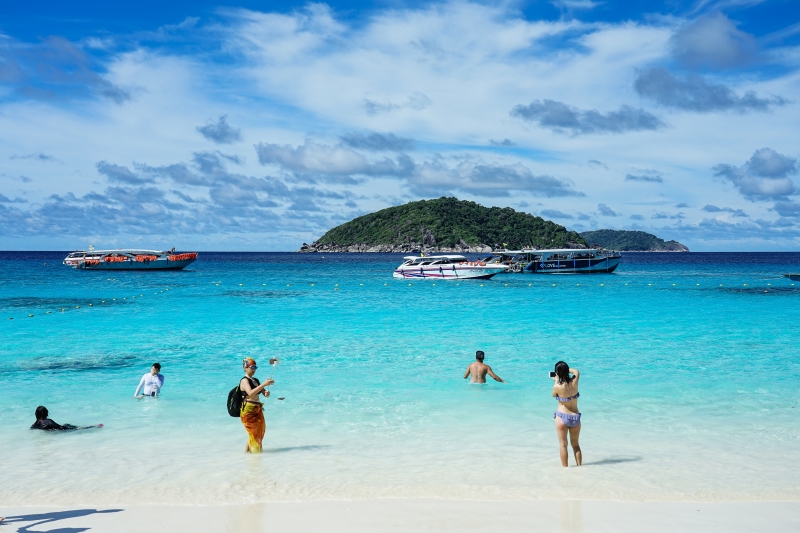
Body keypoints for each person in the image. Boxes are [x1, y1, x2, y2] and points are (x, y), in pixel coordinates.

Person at [239, 357, 274, 453]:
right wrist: (263, 384)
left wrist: (267, 391)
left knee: (259, 432)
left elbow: (264, 394)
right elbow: (250, 393)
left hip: (257, 408)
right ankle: (256, 456)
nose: (254, 370)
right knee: (253, 433)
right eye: (252, 367)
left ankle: (245, 456)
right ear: (245, 367)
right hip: (248, 410)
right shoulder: (244, 381)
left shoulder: (256, 380)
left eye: (255, 367)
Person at [552, 361, 581, 467]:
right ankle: (580, 468)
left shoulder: (557, 386)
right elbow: (576, 371)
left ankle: (565, 471)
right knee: (576, 445)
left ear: (557, 373)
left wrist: (556, 381)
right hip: (575, 417)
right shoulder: (574, 382)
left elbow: (553, 395)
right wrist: (565, 369)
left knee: (563, 445)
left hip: (562, 417)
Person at [30, 406, 102, 430]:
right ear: (46, 413)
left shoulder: (34, 425)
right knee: (78, 428)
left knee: (67, 424)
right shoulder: (48, 421)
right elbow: (61, 427)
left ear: (36, 414)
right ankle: (94, 426)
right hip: (62, 431)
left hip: (53, 431)